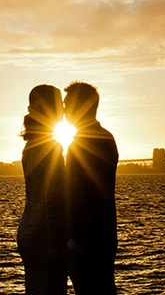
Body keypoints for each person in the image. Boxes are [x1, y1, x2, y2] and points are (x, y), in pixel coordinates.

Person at [64, 81, 119, 295]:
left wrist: (73, 241)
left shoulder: (86, 142)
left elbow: (80, 193)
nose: (64, 111)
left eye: (68, 105)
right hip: (100, 237)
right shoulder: (103, 137)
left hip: (87, 241)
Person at [17, 84, 68, 295]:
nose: (63, 109)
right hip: (44, 235)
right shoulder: (51, 147)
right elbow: (53, 198)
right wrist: (57, 245)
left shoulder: (30, 145)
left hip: (27, 230)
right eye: (59, 104)